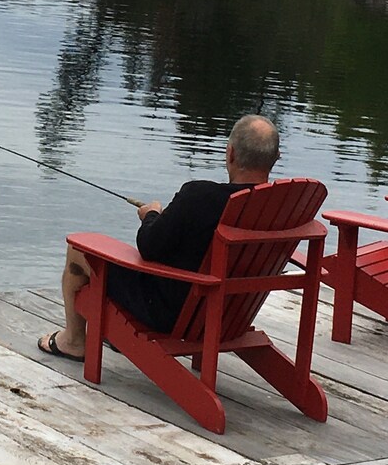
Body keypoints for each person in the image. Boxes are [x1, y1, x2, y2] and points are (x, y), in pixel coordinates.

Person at [36, 114, 281, 361]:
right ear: (275, 159)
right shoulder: (282, 207)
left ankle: (75, 341)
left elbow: (149, 247)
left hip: (172, 314)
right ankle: (117, 335)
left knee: (79, 251)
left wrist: (151, 215)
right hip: (232, 314)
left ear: (230, 154)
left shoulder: (200, 197)